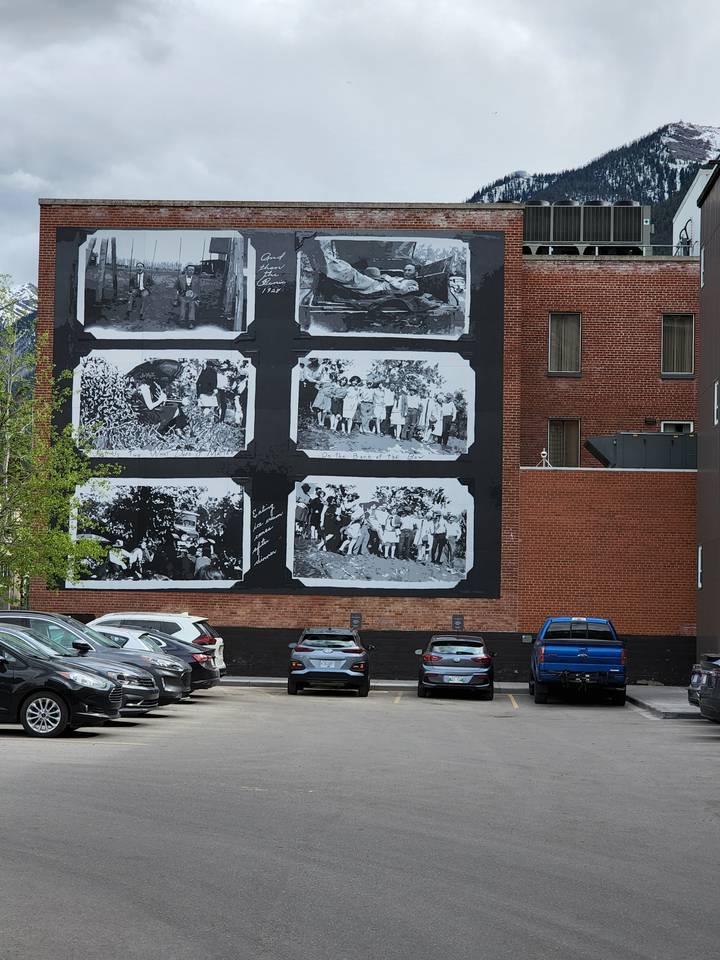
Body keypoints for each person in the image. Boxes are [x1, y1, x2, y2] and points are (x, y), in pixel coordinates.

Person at [174, 264, 201, 328]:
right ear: (186, 270)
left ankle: (191, 321)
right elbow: (176, 289)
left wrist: (198, 299)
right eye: (190, 270)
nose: (191, 271)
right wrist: (175, 299)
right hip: (182, 295)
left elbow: (198, 290)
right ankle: (182, 320)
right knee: (183, 303)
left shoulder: (196, 279)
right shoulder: (180, 278)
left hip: (192, 296)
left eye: (193, 270)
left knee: (192, 304)